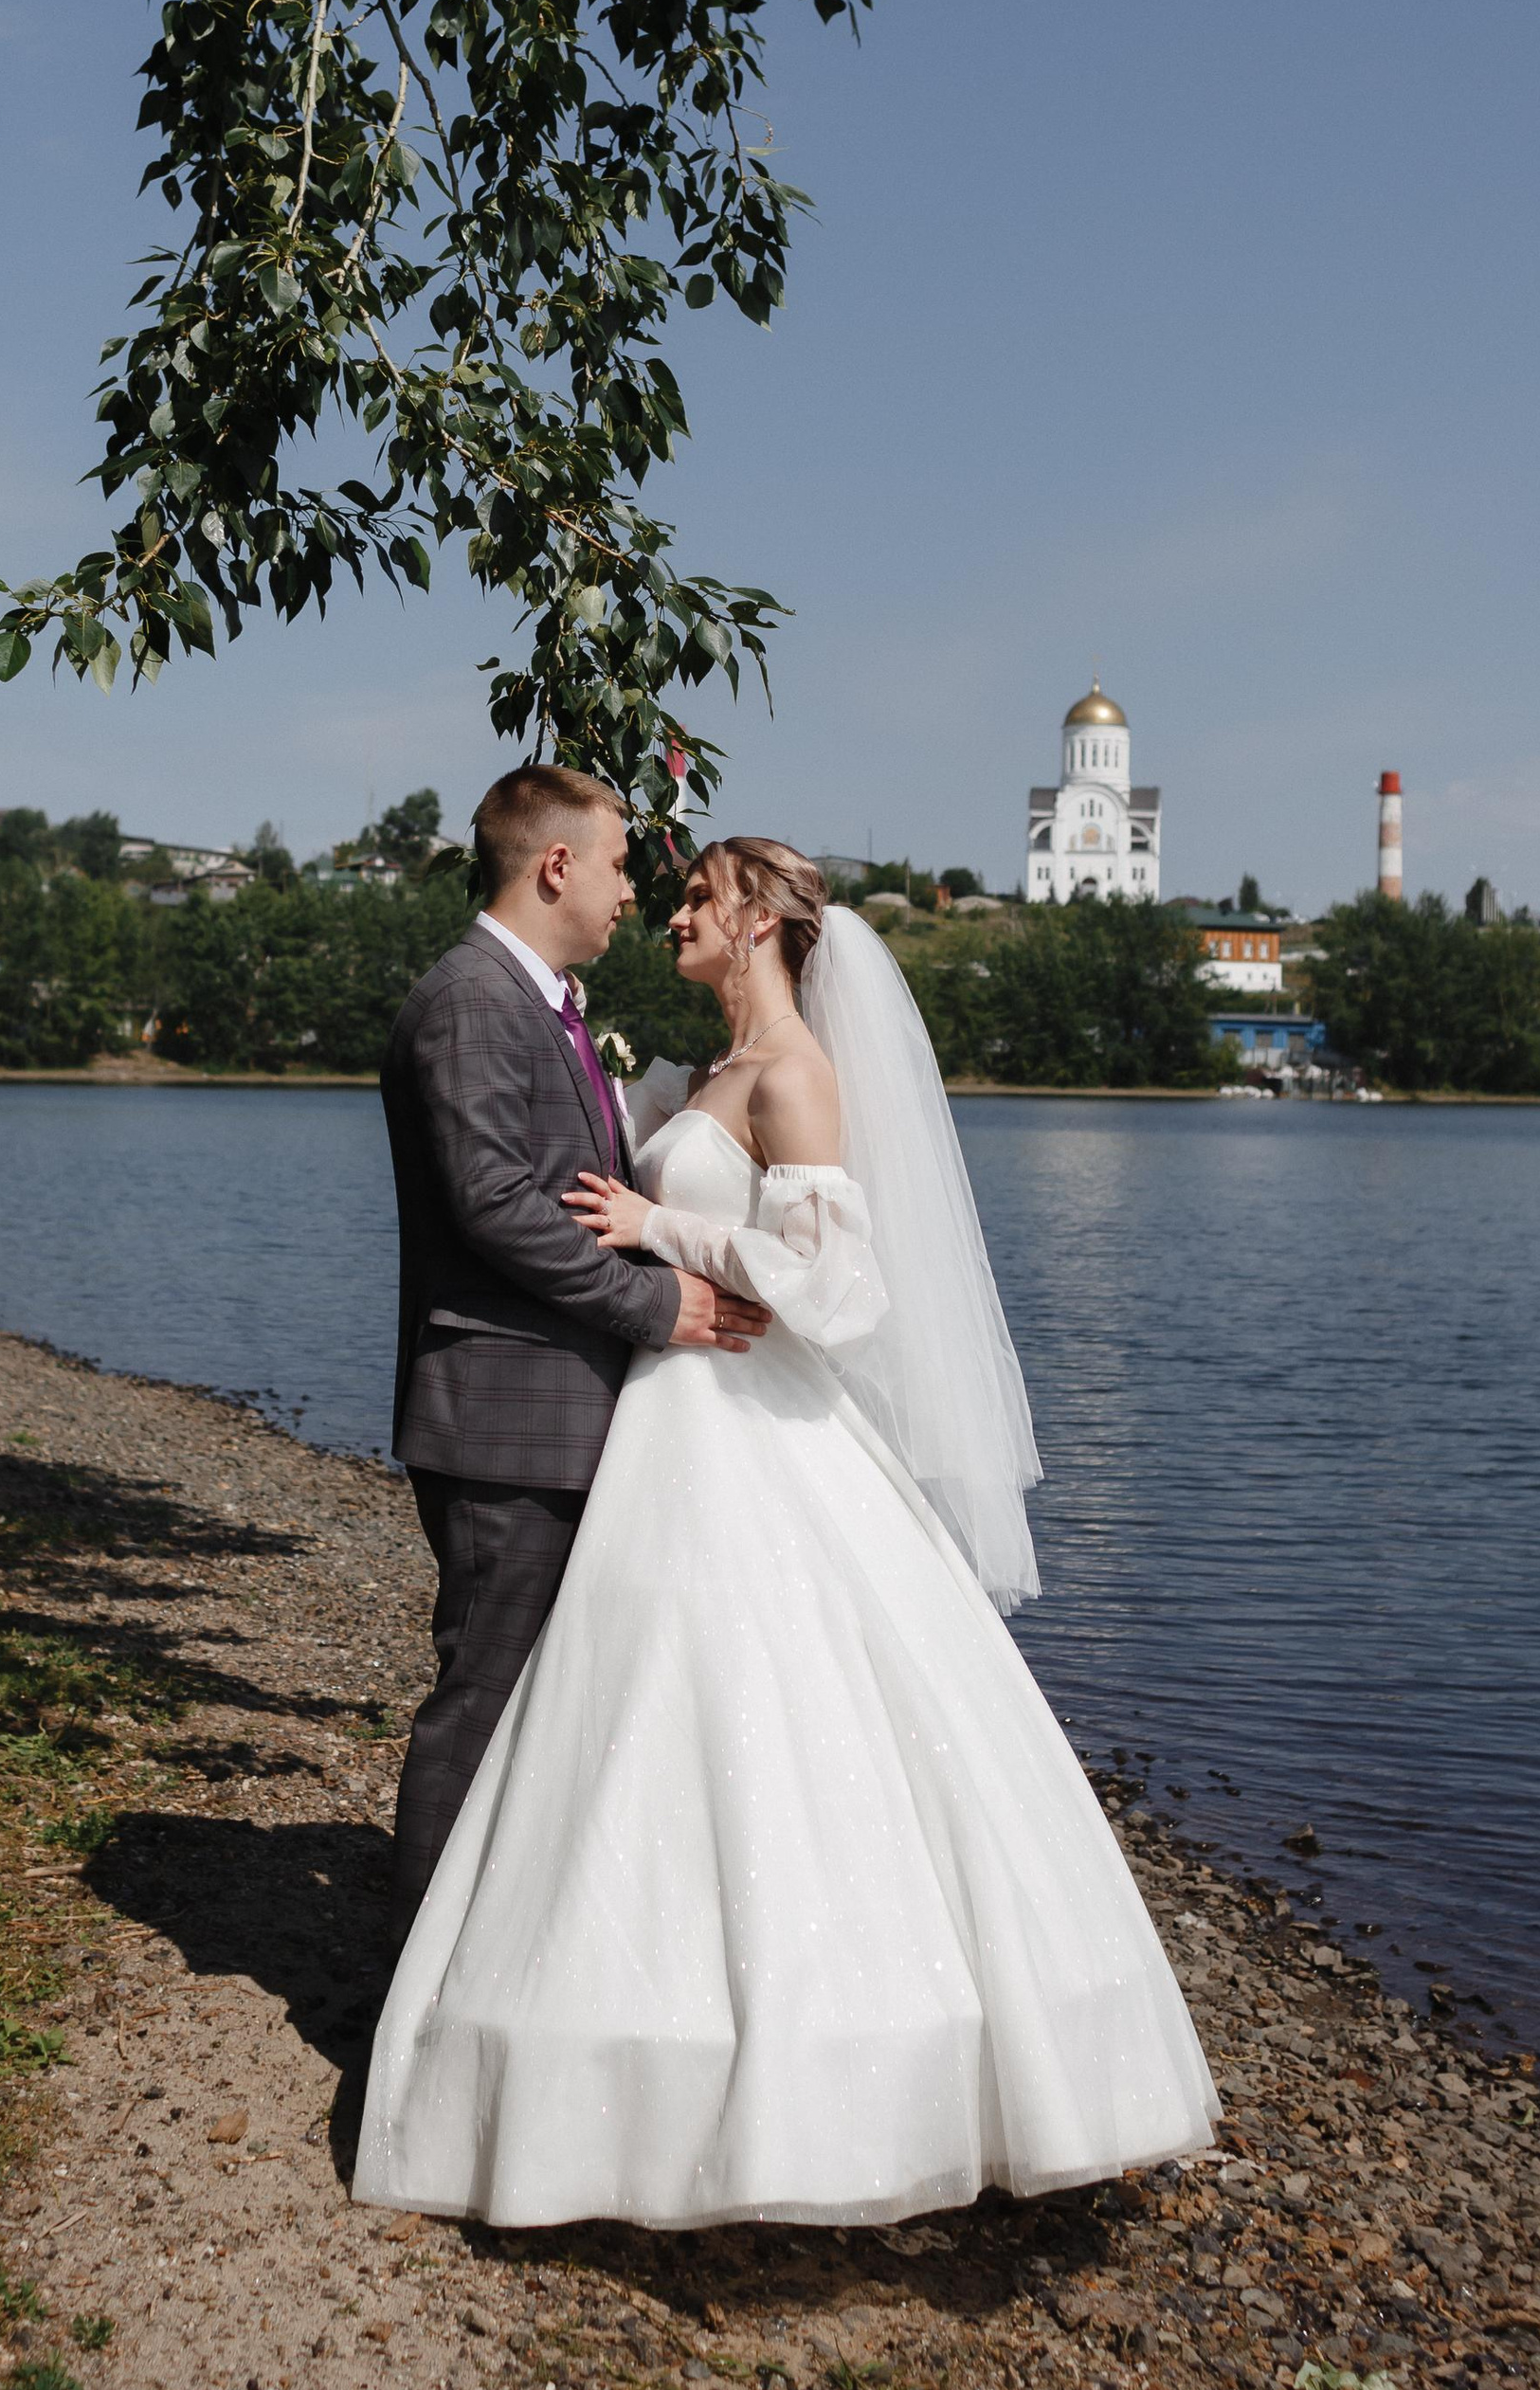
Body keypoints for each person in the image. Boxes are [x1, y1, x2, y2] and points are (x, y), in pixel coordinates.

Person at [358, 832, 1217, 2227]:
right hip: (671, 1425)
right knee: (642, 1723)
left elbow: (843, 1293)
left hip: (749, 1427)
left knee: (774, 1725)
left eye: (699, 895)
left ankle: (823, 2079)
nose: (673, 911)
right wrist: (649, 1226)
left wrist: (666, 1228)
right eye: (673, 886)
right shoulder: (704, 1076)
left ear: (760, 921)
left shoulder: (800, 1072)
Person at [379, 766, 771, 1949]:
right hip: (503, 1412)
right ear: (556, 864)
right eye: (614, 865)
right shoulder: (470, 1000)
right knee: (485, 1703)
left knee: (545, 1709)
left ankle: (504, 1951)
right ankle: (417, 1985)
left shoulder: (539, 1001)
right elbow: (494, 1203)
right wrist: (659, 1306)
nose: (627, 895)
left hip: (557, 1411)